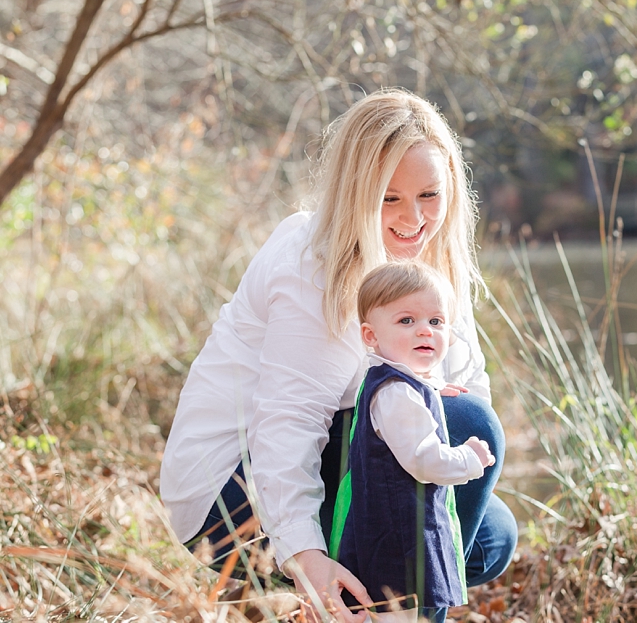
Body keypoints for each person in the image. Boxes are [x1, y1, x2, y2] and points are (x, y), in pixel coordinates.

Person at [159, 89, 517, 622]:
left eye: (429, 195)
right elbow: (288, 420)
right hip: (231, 491)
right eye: (388, 198)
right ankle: (387, 607)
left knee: (491, 535)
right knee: (460, 421)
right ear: (355, 192)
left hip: (336, 456)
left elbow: (467, 379)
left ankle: (381, 604)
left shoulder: (427, 265)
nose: (413, 219)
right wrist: (306, 557)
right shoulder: (313, 259)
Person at [330, 262, 495, 623]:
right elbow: (424, 459)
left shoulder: (397, 384)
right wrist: (469, 457)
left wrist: (431, 390)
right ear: (371, 336)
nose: (425, 330)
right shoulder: (397, 394)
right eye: (407, 321)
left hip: (393, 532)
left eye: (436, 322)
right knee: (399, 614)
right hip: (397, 539)